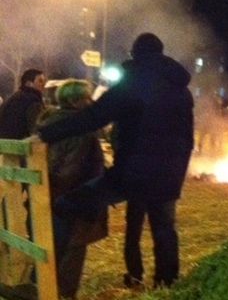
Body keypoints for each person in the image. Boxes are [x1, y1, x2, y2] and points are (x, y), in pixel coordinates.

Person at [38, 33, 194, 288]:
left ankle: (44, 278)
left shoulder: (134, 82)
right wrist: (178, 171)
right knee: (164, 229)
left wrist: (45, 134)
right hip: (169, 174)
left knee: (65, 205)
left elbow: (94, 116)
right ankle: (167, 285)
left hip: (132, 173)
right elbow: (187, 139)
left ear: (135, 54)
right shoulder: (181, 90)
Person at [37, 80, 107, 299]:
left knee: (52, 249)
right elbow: (71, 170)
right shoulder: (80, 129)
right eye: (87, 97)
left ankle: (44, 290)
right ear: (77, 101)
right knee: (72, 252)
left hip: (46, 197)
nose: (90, 101)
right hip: (74, 200)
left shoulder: (49, 123)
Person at [0, 69, 46, 139]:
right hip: (21, 145)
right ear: (28, 83)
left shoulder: (13, 98)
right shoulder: (33, 101)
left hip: (4, 144)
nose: (44, 84)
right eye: (40, 81)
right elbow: (36, 130)